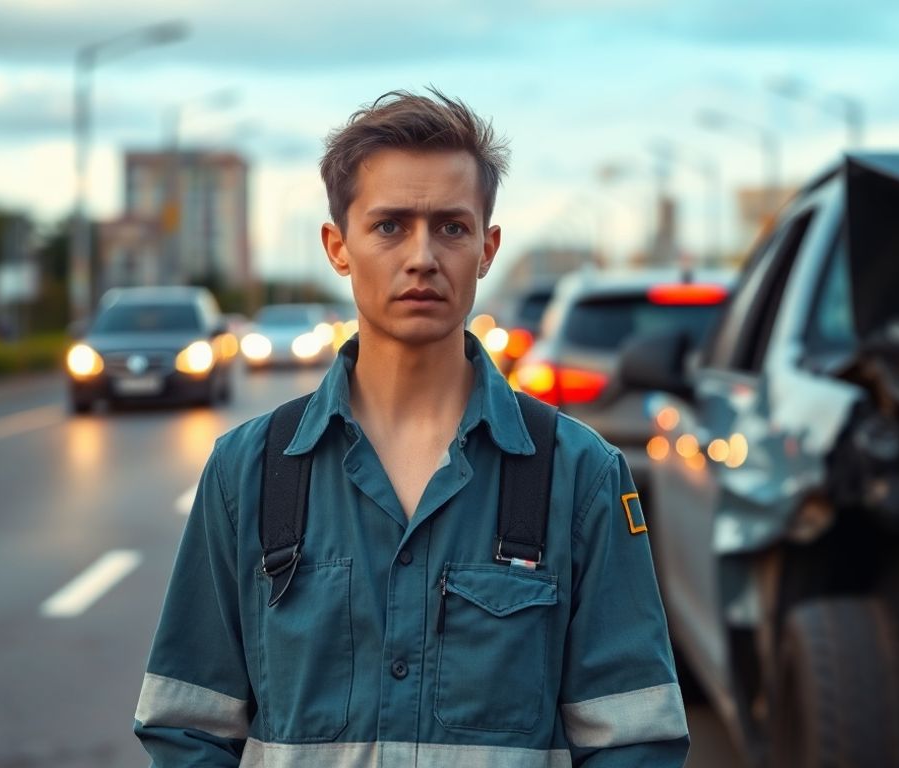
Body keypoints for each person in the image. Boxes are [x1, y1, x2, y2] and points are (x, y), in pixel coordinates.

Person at [134, 89, 689, 767]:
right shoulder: (247, 472)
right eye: (390, 226)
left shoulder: (581, 475)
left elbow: (635, 740)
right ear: (338, 247)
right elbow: (186, 726)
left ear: (487, 249)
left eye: (451, 228)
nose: (422, 256)